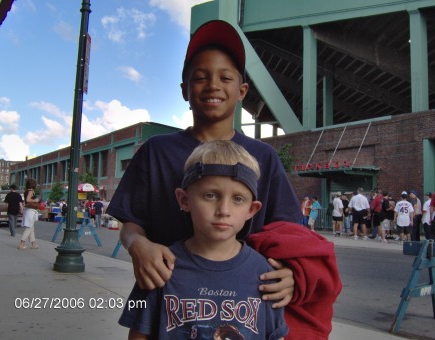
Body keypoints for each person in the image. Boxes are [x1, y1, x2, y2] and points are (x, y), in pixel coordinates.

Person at [107, 20, 340, 339]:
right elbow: (131, 222)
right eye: (200, 77)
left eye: (225, 77)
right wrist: (138, 246)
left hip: (243, 302)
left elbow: (289, 234)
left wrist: (292, 275)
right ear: (184, 90)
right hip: (168, 294)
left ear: (242, 90)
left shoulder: (263, 156)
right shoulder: (156, 151)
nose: (213, 85)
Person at [120, 140, 288, 339]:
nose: (224, 210)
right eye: (210, 195)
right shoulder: (160, 268)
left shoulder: (265, 275)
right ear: (184, 200)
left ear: (252, 210)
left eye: (238, 199)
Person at [18, 178, 40, 250]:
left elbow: (26, 200)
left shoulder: (26, 191)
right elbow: (28, 200)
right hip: (31, 211)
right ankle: (22, 243)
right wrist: (35, 200)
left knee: (31, 228)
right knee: (29, 228)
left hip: (28, 210)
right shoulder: (31, 191)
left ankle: (33, 244)